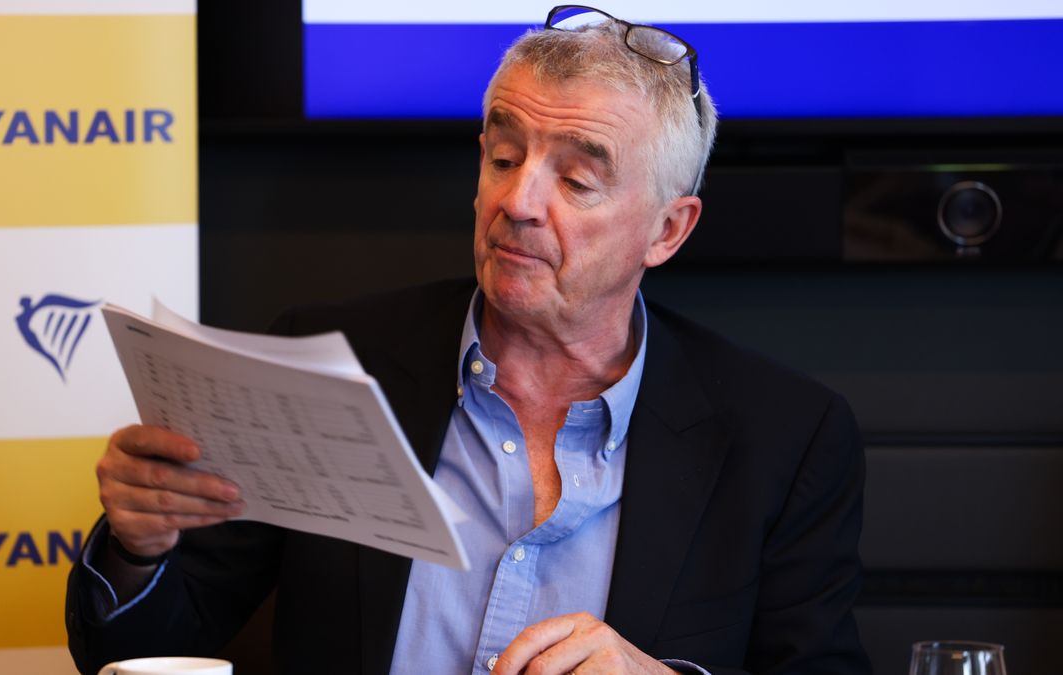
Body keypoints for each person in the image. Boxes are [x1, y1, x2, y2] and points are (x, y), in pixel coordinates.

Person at [66, 7, 871, 675]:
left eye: (577, 180)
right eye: (504, 155)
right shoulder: (332, 360)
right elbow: (142, 644)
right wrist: (139, 546)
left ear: (666, 230)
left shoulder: (785, 438)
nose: (518, 202)